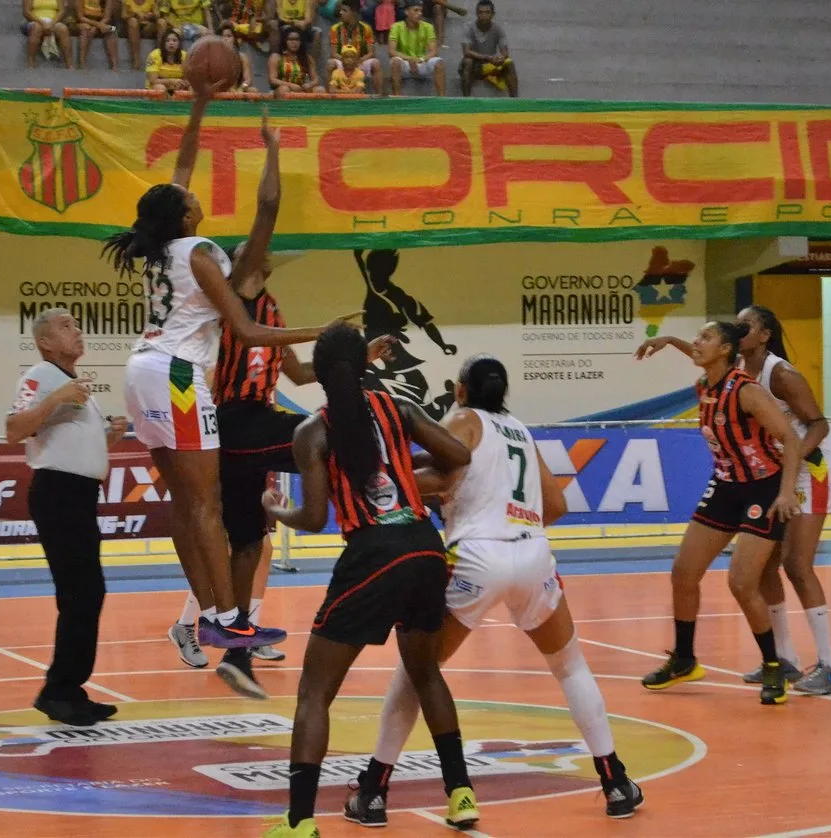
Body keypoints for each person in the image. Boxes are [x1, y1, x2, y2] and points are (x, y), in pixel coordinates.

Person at [345, 354, 644, 824]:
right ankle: (615, 781)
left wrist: (382, 481)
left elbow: (444, 475)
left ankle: (375, 789)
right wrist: (510, 516)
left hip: (477, 556)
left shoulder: (461, 420)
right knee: (569, 667)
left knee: (417, 670)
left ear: (461, 390)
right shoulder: (521, 430)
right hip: (531, 553)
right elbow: (558, 504)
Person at [101, 88, 345, 653]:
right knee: (205, 503)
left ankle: (211, 613)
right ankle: (229, 619)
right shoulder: (200, 252)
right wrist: (323, 332)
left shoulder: (160, 248)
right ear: (187, 215)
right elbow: (248, 330)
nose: (193, 191)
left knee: (186, 504)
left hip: (141, 370)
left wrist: (200, 104)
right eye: (189, 195)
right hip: (179, 377)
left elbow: (180, 169)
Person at [260, 323, 478, 838]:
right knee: (426, 675)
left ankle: (299, 821)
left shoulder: (312, 432)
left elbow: (314, 517)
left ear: (320, 371)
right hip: (425, 549)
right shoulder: (398, 408)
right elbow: (459, 455)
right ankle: (461, 793)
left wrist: (277, 510)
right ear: (366, 365)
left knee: (314, 693)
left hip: (373, 554)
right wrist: (409, 460)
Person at [168, 206, 393, 696]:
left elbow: (301, 374)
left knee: (249, 544)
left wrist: (360, 358)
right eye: (256, 254)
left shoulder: (271, 308)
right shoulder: (231, 301)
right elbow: (267, 213)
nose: (264, 257)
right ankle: (367, 522)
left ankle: (237, 653)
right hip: (233, 421)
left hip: (252, 428)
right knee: (321, 435)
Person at [635, 322, 803, 705]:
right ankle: (684, 659)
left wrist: (787, 492)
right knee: (683, 573)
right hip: (726, 486)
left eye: (705, 338)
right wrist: (668, 341)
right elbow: (697, 355)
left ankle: (774, 666)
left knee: (742, 583)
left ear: (726, 349)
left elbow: (791, 439)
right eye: (696, 338)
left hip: (763, 487)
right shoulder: (705, 386)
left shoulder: (747, 392)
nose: (696, 343)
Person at [6, 308, 130, 727]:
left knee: (85, 593)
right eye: (65, 326)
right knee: (82, 592)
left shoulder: (75, 386)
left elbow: (67, 438)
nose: (77, 331)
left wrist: (107, 434)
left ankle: (69, 688)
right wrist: (57, 398)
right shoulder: (41, 376)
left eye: (76, 324)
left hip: (76, 495)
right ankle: (58, 689)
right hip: (59, 493)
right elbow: (13, 428)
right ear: (44, 341)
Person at [731, 306, 831, 695]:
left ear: (764, 335)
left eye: (746, 325)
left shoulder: (780, 374)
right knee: (764, 570)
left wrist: (792, 457)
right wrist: (671, 342)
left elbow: (819, 423)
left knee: (798, 565)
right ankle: (784, 660)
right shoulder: (737, 367)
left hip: (803, 473)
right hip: (771, 476)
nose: (738, 329)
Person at [460, 0, 516, 97]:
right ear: (477, 14)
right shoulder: (469, 27)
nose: (484, 15)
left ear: (493, 14)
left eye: (487, 12)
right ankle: (466, 100)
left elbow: (505, 52)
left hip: (490, 65)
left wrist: (501, 58)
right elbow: (466, 52)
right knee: (467, 61)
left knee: (509, 63)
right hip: (475, 65)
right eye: (481, 12)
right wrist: (487, 57)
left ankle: (515, 101)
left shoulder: (498, 29)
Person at [269, 25, 320, 96]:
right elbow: (272, 79)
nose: (294, 42)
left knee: (320, 90)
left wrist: (310, 84)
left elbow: (316, 79)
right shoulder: (276, 57)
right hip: (282, 88)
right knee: (284, 89)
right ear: (285, 41)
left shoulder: (307, 58)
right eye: (291, 39)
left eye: (297, 40)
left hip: (302, 89)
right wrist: (290, 85)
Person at [218, 21, 253, 91]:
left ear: (234, 39)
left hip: (238, 90)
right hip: (221, 90)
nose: (225, 39)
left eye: (229, 36)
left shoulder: (242, 57)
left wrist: (241, 89)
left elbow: (248, 80)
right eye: (223, 37)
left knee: (253, 90)